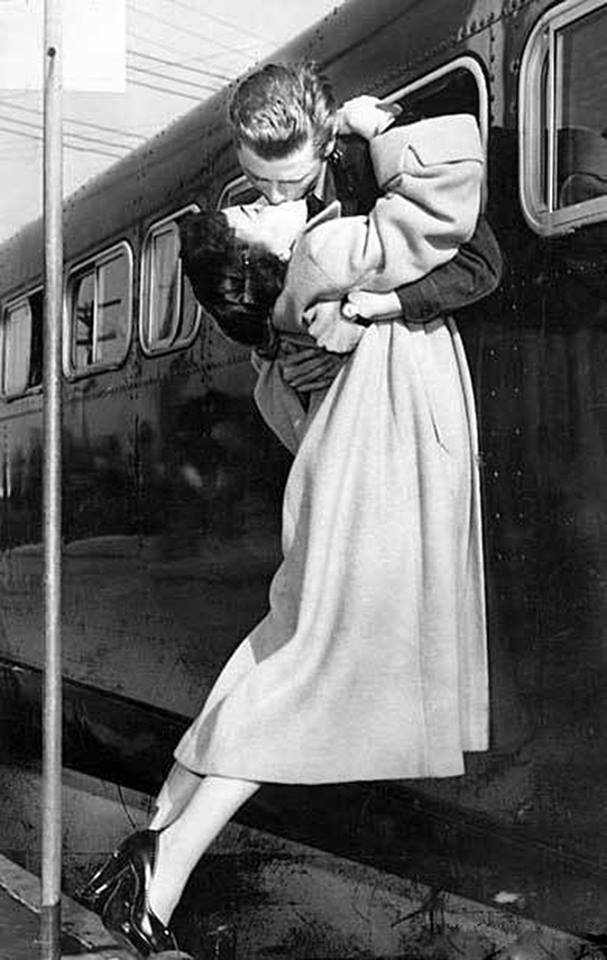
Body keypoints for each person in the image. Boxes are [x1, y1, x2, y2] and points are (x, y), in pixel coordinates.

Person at [78, 64, 498, 959]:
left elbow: (479, 263)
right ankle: (161, 864)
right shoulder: (278, 220)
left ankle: (147, 853)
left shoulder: (360, 171)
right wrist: (297, 324)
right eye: (256, 181)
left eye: (288, 176)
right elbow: (263, 316)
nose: (271, 195)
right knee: (311, 660)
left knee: (290, 648)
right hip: (350, 440)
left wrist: (379, 302)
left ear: (321, 136)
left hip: (374, 433)